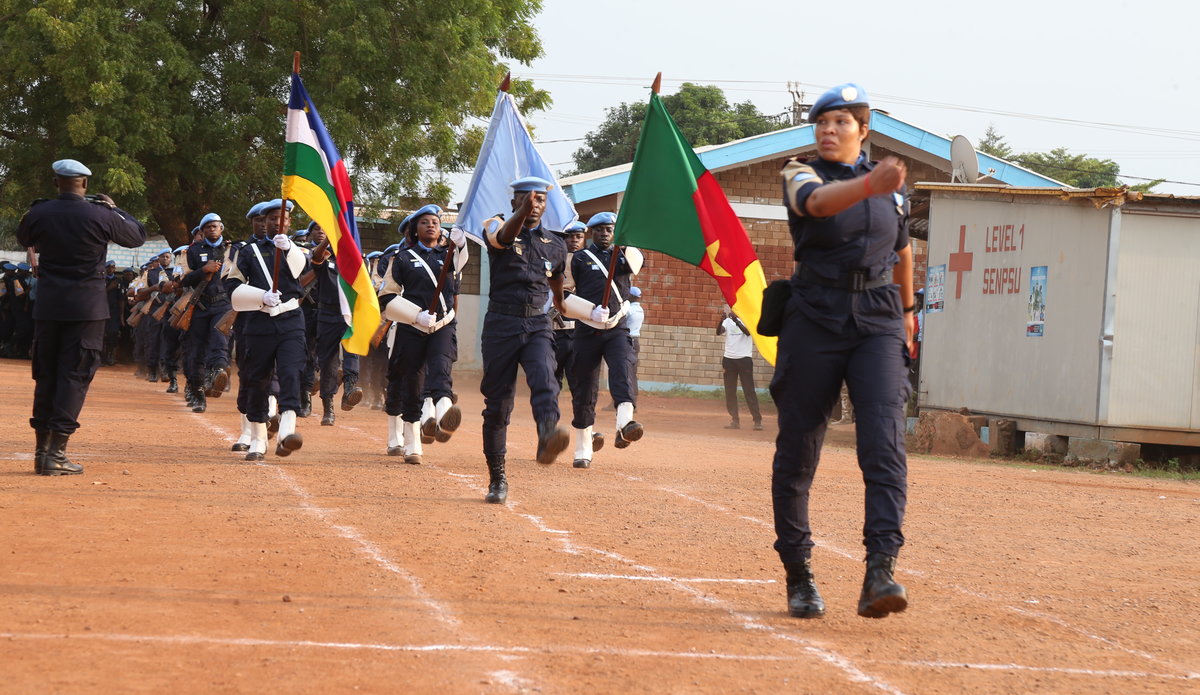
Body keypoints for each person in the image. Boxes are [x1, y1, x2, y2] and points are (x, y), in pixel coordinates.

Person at [772, 83, 914, 620]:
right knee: (799, 449)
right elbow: (815, 204)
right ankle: (799, 573)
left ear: (863, 130)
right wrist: (869, 186)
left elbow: (901, 251)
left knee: (884, 443)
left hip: (877, 318)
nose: (828, 131)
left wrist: (906, 314)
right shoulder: (799, 171)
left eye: (840, 123)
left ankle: (881, 569)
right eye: (822, 122)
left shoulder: (893, 190)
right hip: (815, 314)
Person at [16, 159, 146, 475]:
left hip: (48, 307)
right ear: (85, 184)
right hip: (86, 309)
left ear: (55, 181)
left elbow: (23, 238)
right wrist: (114, 208)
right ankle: (56, 455)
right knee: (74, 375)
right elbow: (136, 237)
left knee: (45, 375)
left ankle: (41, 451)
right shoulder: (100, 214)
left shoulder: (39, 213)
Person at [478, 176, 570, 504]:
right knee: (498, 404)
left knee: (546, 378)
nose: (534, 206)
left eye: (541, 201)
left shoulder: (556, 243)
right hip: (501, 323)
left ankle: (547, 433)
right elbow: (502, 238)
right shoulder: (496, 224)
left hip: (537, 323)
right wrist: (521, 213)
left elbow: (557, 280)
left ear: (547, 205)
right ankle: (497, 478)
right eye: (528, 200)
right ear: (514, 201)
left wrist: (560, 306)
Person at [379, 205, 467, 463]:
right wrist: (415, 316)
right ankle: (412, 442)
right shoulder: (402, 258)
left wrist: (461, 244)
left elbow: (460, 270)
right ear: (414, 230)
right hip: (411, 326)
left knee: (441, 368)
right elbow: (387, 296)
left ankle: (444, 413)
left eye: (435, 222)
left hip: (442, 325)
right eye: (424, 222)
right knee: (411, 382)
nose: (431, 225)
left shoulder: (449, 255)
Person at [226, 198, 308, 461]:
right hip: (259, 322)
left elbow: (305, 273)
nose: (278, 223)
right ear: (265, 222)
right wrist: (260, 296)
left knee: (291, 372)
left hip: (290, 319)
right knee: (257, 379)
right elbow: (232, 286)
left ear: (290, 222)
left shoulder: (297, 251)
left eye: (283, 218)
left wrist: (290, 249)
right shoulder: (248, 252)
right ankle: (258, 439)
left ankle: (287, 430)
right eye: (273, 219)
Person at [566, 211, 644, 469]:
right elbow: (562, 296)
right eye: (599, 230)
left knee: (623, 370)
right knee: (584, 388)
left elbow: (637, 264)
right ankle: (583, 446)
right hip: (587, 330)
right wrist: (588, 311)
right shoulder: (579, 258)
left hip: (617, 328)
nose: (605, 234)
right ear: (591, 232)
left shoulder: (623, 256)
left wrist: (627, 240)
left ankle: (624, 424)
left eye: (609, 229)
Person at [306, 222, 365, 426]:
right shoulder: (325, 258)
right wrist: (328, 241)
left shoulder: (356, 261)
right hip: (327, 314)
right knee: (328, 361)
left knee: (351, 351)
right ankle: (328, 406)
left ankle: (350, 387)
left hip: (348, 314)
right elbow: (316, 258)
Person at [181, 213, 232, 411]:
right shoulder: (191, 252)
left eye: (215, 226)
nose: (212, 229)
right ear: (202, 231)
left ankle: (218, 371)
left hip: (223, 304)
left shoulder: (232, 250)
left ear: (221, 228)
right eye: (208, 227)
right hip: (199, 306)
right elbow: (183, 281)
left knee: (220, 339)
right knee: (197, 351)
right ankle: (198, 392)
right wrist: (203, 270)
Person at [717, 308, 762, 431]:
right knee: (730, 391)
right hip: (729, 359)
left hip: (744, 360)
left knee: (749, 390)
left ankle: (757, 420)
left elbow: (747, 333)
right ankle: (735, 420)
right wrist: (721, 321)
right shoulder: (728, 321)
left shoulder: (749, 320)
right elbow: (719, 332)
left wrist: (736, 320)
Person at [625, 285, 644, 402]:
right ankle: (633, 400)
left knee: (624, 370)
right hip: (636, 341)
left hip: (628, 341)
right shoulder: (640, 309)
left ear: (631, 296)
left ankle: (624, 401)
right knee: (632, 371)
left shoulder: (628, 309)